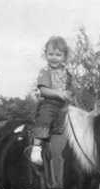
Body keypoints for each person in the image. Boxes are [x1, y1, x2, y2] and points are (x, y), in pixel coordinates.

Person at [30, 36, 74, 167]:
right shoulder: (45, 72)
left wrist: (69, 95)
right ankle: (36, 148)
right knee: (45, 118)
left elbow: (70, 90)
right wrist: (58, 93)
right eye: (51, 54)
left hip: (64, 105)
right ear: (46, 55)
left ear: (64, 57)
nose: (54, 57)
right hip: (49, 103)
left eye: (58, 55)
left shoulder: (67, 74)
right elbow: (43, 90)